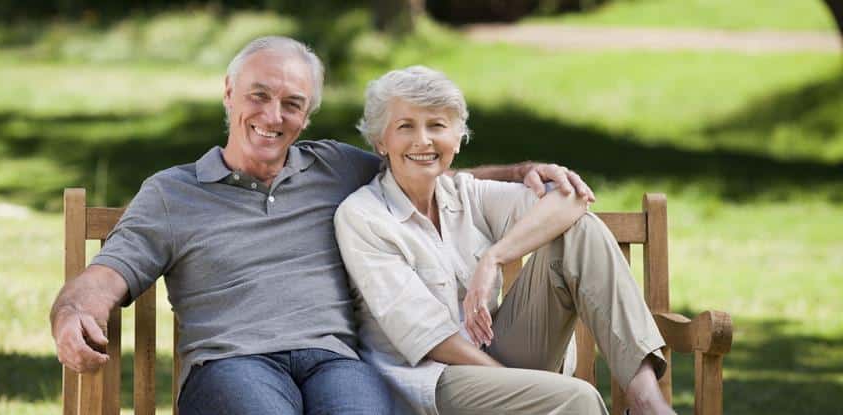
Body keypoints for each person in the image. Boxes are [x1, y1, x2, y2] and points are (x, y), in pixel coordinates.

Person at [49, 37, 595, 415]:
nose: (273, 115)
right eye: (259, 95)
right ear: (229, 93)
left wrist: (519, 172)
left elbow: (420, 166)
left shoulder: (335, 167)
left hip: (335, 361)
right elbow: (109, 273)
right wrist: (75, 312)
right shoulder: (173, 193)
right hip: (232, 364)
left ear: (307, 116)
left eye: (292, 103)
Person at [334, 65, 675, 415]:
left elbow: (570, 200)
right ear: (380, 141)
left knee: (578, 232)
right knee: (577, 397)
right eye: (406, 126)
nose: (423, 140)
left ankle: (646, 400)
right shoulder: (363, 217)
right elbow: (431, 340)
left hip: (496, 353)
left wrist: (494, 257)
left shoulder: (466, 194)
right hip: (434, 382)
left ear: (457, 137)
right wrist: (522, 386)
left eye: (437, 125)